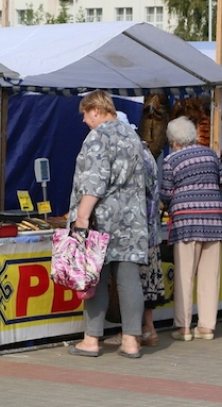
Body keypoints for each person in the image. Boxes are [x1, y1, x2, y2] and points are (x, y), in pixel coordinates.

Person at [67, 91, 148, 359]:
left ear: (96, 111)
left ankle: (91, 339)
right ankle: (131, 341)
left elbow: (94, 182)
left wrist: (81, 218)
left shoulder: (98, 137)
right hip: (132, 220)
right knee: (128, 280)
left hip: (101, 220)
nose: (83, 121)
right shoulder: (131, 136)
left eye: (85, 114)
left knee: (95, 279)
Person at [160, 116, 222, 341]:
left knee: (185, 275)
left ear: (173, 140)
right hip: (213, 220)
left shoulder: (171, 160)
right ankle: (206, 327)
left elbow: (164, 193)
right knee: (209, 275)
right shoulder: (211, 155)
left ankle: (183, 328)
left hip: (185, 222)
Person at [103, 111, 164, 348]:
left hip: (135, 229)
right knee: (145, 282)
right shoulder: (145, 152)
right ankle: (148, 329)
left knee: (131, 283)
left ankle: (134, 332)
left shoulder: (130, 154)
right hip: (149, 226)